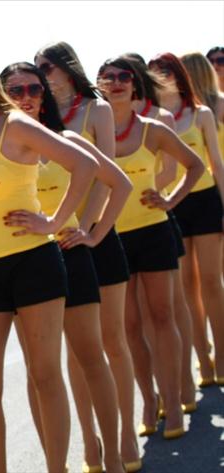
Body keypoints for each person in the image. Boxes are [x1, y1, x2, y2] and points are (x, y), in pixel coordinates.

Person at [0, 51, 98, 473]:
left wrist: (54, 222)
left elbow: (83, 164)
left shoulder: (17, 126)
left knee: (44, 373)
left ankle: (57, 468)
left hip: (35, 264)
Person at [0, 61, 131, 473]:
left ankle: (110, 456)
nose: (26, 98)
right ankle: (63, 461)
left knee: (91, 356)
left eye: (34, 90)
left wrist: (89, 232)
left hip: (70, 256)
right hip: (25, 265)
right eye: (15, 90)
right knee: (41, 374)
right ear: (0, 96)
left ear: (45, 95)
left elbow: (119, 184)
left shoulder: (66, 139)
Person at [35, 43, 140, 468]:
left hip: (95, 236)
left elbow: (104, 175)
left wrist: (92, 229)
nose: (42, 75)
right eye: (38, 68)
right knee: (76, 353)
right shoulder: (39, 115)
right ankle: (89, 442)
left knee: (111, 340)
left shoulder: (95, 109)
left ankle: (125, 436)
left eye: (47, 66)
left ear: (65, 67)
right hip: (57, 243)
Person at [98, 56, 205, 440]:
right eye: (107, 77)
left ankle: (174, 402)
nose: (116, 82)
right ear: (98, 84)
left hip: (154, 232)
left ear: (136, 83)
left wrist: (169, 200)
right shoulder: (93, 131)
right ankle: (149, 399)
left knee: (162, 316)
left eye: (123, 76)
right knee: (129, 327)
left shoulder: (152, 129)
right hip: (112, 238)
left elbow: (194, 165)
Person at [150, 52, 224, 386]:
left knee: (211, 282)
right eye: (153, 72)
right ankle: (204, 362)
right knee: (186, 289)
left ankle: (221, 357)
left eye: (165, 70)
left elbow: (216, 164)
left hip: (207, 201)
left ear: (178, 74)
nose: (159, 76)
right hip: (172, 205)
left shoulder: (201, 113)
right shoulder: (155, 120)